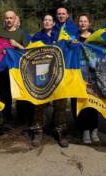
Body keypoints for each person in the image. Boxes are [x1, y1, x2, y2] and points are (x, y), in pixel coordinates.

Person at [30, 14, 68, 147]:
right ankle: (38, 130)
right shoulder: (36, 37)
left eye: (50, 20)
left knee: (61, 104)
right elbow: (29, 53)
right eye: (45, 20)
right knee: (39, 102)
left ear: (53, 23)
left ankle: (60, 131)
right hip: (41, 74)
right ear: (42, 22)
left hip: (58, 73)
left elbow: (69, 47)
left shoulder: (61, 35)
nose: (47, 22)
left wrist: (73, 44)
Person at [0, 11, 28, 133]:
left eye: (11, 18)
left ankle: (22, 121)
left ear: (15, 20)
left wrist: (16, 44)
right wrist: (0, 50)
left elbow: (27, 51)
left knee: (19, 96)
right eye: (7, 18)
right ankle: (6, 121)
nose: (9, 20)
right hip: (3, 70)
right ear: (4, 19)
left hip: (17, 70)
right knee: (5, 96)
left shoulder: (21, 33)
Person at [74, 14, 100, 145]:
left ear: (89, 23)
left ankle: (94, 129)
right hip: (78, 74)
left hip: (93, 74)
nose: (83, 23)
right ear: (78, 23)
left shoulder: (96, 37)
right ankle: (84, 130)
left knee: (93, 102)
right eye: (80, 21)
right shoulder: (73, 37)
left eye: (85, 21)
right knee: (81, 102)